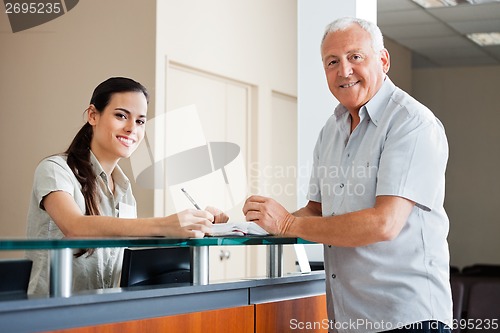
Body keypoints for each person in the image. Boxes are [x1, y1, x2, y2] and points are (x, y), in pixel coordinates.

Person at [243, 17, 452, 333]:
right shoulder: (332, 130)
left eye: (355, 57)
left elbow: (385, 223)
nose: (344, 71)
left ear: (382, 60)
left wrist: (286, 224)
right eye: (332, 62)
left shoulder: (412, 123)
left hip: (408, 319)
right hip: (348, 319)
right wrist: (254, 226)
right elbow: (316, 211)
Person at [26, 77, 228, 295]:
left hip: (104, 313)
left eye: (140, 121)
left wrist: (197, 223)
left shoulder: (123, 189)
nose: (132, 128)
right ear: (93, 115)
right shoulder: (55, 169)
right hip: (51, 313)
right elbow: (75, 226)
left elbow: (129, 235)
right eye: (121, 115)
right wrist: (165, 224)